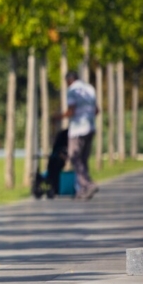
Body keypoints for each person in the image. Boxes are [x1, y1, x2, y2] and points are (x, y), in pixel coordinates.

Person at [55, 71, 99, 199]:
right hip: (90, 127)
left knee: (74, 157)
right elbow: (96, 110)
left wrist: (58, 117)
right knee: (83, 159)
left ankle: (88, 184)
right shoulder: (90, 89)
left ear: (69, 80)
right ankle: (81, 190)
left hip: (77, 130)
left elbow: (71, 111)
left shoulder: (72, 90)